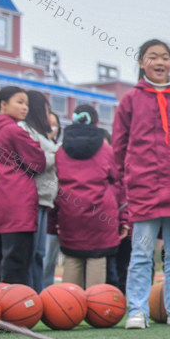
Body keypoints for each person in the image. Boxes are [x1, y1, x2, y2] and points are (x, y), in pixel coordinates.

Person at [113, 39, 170, 328]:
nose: (159, 62)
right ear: (142, 63)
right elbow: (119, 147)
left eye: (165, 57)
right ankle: (138, 311)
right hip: (143, 190)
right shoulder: (131, 100)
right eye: (152, 57)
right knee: (141, 254)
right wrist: (123, 189)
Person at [0, 86, 46, 287]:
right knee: (16, 260)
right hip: (17, 202)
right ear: (3, 105)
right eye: (19, 102)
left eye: (26, 104)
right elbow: (38, 163)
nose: (25, 107)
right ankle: (15, 309)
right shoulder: (14, 130)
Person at [52, 105, 125, 289]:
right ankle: (95, 308)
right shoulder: (107, 151)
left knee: (72, 257)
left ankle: (68, 308)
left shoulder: (60, 151)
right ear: (96, 122)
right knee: (97, 258)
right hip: (101, 213)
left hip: (70, 211)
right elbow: (117, 178)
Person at [19, 90, 59, 293]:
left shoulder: (40, 133)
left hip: (44, 198)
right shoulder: (25, 130)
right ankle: (31, 294)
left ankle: (37, 293)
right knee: (32, 251)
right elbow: (36, 162)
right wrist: (57, 154)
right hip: (33, 198)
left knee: (38, 252)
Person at [42, 111, 63, 288]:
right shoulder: (35, 146)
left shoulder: (62, 150)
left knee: (50, 259)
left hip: (57, 212)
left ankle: (45, 293)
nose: (51, 128)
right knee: (40, 255)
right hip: (41, 208)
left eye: (54, 124)